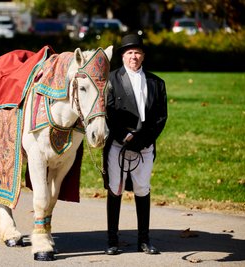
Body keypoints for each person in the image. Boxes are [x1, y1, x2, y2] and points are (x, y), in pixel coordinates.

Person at [103, 33, 168, 255]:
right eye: (129, 52)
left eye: (138, 52)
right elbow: (107, 112)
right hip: (119, 145)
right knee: (115, 188)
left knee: (142, 188)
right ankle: (112, 241)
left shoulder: (157, 83)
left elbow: (161, 117)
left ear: (143, 56)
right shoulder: (110, 80)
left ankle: (144, 240)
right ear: (122, 56)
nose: (134, 56)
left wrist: (143, 139)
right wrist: (124, 135)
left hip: (145, 145)